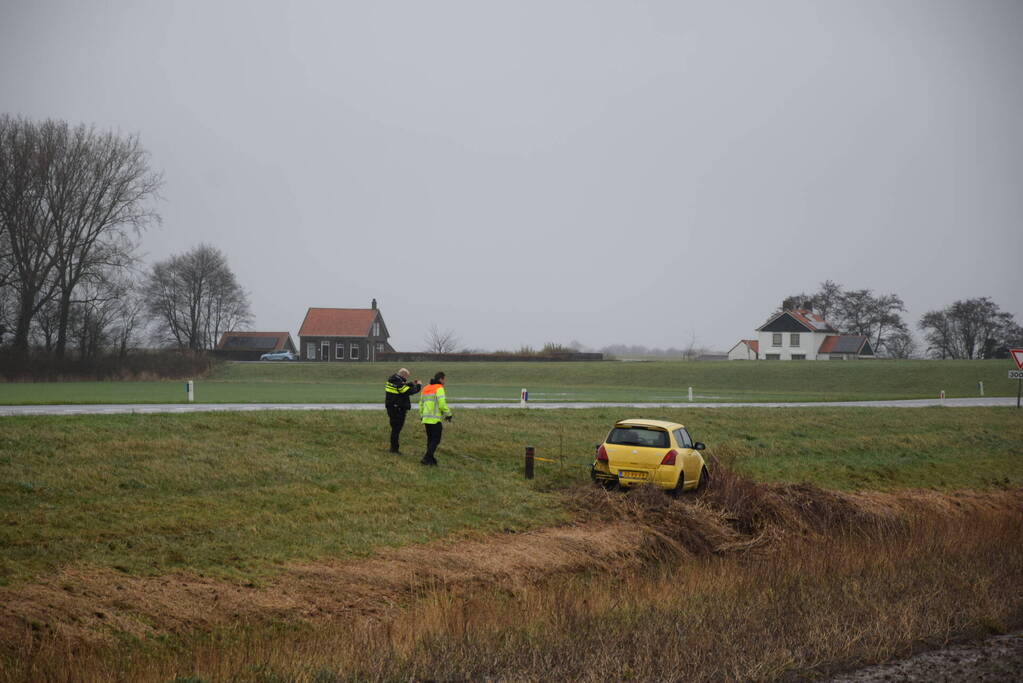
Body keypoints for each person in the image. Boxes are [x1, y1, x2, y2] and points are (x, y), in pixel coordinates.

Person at [384, 367, 421, 454]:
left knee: (394, 428)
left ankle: (393, 448)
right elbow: (408, 391)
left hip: (392, 407)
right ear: (403, 375)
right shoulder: (398, 382)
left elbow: (402, 386)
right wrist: (418, 386)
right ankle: (394, 449)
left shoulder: (392, 380)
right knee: (396, 429)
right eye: (406, 377)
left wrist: (411, 383)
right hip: (397, 409)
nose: (406, 379)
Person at [418, 371, 452, 466]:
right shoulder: (439, 388)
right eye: (444, 379)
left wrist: (422, 416)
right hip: (434, 419)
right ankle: (426, 458)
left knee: (430, 439)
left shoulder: (425, 388)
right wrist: (448, 414)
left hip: (425, 418)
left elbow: (421, 404)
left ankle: (431, 459)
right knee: (436, 440)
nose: (444, 381)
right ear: (441, 379)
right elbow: (442, 404)